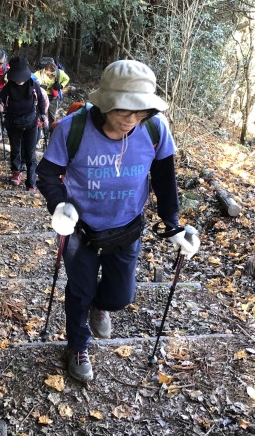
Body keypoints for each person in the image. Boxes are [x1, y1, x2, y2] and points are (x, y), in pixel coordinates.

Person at [36, 60, 200, 382]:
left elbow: (164, 178)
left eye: (140, 112)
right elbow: (47, 175)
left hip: (126, 227)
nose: (131, 120)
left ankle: (100, 305)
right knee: (80, 292)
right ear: (105, 102)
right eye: (124, 110)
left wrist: (173, 225)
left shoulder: (155, 130)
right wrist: (59, 206)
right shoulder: (71, 129)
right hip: (81, 229)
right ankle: (77, 346)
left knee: (120, 297)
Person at [0, 57, 48, 191]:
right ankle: (16, 172)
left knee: (30, 153)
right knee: (15, 149)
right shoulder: (9, 87)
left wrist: (43, 115)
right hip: (13, 122)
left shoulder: (33, 85)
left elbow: (41, 100)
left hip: (31, 122)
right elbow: (1, 99)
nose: (19, 80)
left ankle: (31, 182)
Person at [34, 58, 70, 127]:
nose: (53, 75)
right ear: (45, 70)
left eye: (54, 73)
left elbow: (67, 78)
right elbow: (33, 80)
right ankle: (41, 128)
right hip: (42, 97)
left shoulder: (59, 73)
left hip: (53, 98)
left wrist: (61, 86)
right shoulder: (39, 74)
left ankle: (50, 129)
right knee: (41, 114)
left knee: (52, 116)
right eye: (50, 73)